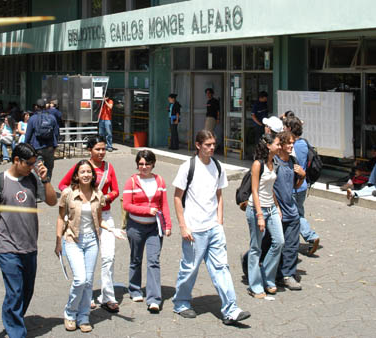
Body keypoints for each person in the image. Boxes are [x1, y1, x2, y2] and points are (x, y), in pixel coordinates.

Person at [172, 130, 250, 325]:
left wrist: (219, 222)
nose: (212, 148)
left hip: (213, 227)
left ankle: (231, 309)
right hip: (194, 229)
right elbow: (177, 197)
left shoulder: (217, 166)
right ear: (198, 145)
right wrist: (183, 226)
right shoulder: (187, 167)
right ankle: (181, 303)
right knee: (189, 268)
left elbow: (219, 195)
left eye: (213, 144)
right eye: (207, 145)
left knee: (221, 268)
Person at [0, 143, 57, 338]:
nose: (32, 167)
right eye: (29, 163)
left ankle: (12, 318)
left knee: (26, 291)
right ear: (16, 160)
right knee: (15, 292)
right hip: (7, 247)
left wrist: (45, 179)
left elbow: (52, 201)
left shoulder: (33, 180)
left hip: (29, 247)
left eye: (35, 163)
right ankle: (16, 332)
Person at [55, 160, 123, 332]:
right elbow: (60, 217)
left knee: (88, 282)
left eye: (88, 172)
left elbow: (99, 220)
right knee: (80, 279)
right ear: (76, 175)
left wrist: (111, 229)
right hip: (72, 240)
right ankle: (70, 313)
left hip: (92, 241)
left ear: (93, 175)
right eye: (82, 172)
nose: (85, 175)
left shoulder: (98, 194)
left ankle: (84, 316)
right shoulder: (68, 193)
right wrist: (58, 242)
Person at [122, 149, 172, 312]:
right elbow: (127, 205)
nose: (144, 167)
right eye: (141, 164)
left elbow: (164, 204)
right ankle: (135, 289)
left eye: (147, 164)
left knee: (153, 261)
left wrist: (168, 225)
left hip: (154, 227)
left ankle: (154, 298)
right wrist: (145, 211)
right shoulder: (132, 181)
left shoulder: (160, 181)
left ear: (153, 164)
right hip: (135, 226)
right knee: (135, 259)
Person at [246, 131, 284, 298]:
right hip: (256, 209)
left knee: (279, 241)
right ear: (268, 146)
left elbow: (270, 188)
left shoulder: (274, 163)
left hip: (272, 208)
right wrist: (260, 215)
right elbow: (255, 190)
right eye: (277, 143)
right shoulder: (257, 164)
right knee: (256, 247)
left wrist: (277, 206)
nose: (280, 146)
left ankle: (267, 276)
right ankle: (255, 285)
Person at [273, 131, 305, 290]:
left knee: (292, 246)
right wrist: (276, 207)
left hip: (291, 211)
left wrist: (302, 176)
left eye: (293, 143)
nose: (292, 146)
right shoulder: (274, 163)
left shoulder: (293, 162)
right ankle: (273, 274)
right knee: (275, 245)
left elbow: (293, 187)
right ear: (281, 145)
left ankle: (288, 275)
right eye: (289, 143)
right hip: (276, 212)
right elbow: (268, 187)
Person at [286, 116, 320, 256]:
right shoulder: (304, 144)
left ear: (289, 129)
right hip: (303, 185)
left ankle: (311, 236)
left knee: (295, 215)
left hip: (294, 185)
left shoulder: (293, 146)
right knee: (299, 212)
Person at [24, 98, 58, 181]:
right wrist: (55, 145)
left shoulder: (32, 119)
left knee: (38, 170)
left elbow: (28, 135)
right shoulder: (52, 118)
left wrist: (26, 146)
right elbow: (56, 133)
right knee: (49, 169)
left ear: (36, 107)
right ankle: (47, 186)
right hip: (49, 148)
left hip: (37, 148)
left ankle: (39, 189)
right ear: (46, 106)